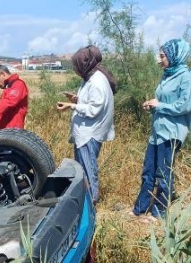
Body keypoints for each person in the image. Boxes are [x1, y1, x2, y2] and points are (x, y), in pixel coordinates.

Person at [127, 38, 191, 222]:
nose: (159, 59)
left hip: (171, 133)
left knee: (163, 174)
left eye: (162, 56)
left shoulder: (185, 76)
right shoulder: (167, 74)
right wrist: (152, 106)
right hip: (157, 132)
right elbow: (163, 102)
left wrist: (160, 105)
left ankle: (159, 213)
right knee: (148, 171)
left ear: (174, 56)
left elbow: (185, 105)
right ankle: (140, 208)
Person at [56, 45, 116, 205]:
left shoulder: (96, 82)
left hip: (89, 134)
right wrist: (77, 99)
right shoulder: (91, 77)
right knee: (83, 169)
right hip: (85, 132)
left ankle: (91, 202)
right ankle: (86, 200)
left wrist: (72, 106)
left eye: (76, 66)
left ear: (84, 64)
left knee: (88, 170)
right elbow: (92, 101)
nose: (75, 70)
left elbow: (94, 110)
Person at [0, 64, 29, 132]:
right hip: (5, 130)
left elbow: (9, 102)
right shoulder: (9, 87)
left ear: (3, 74)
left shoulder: (18, 85)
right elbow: (5, 110)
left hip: (12, 131)